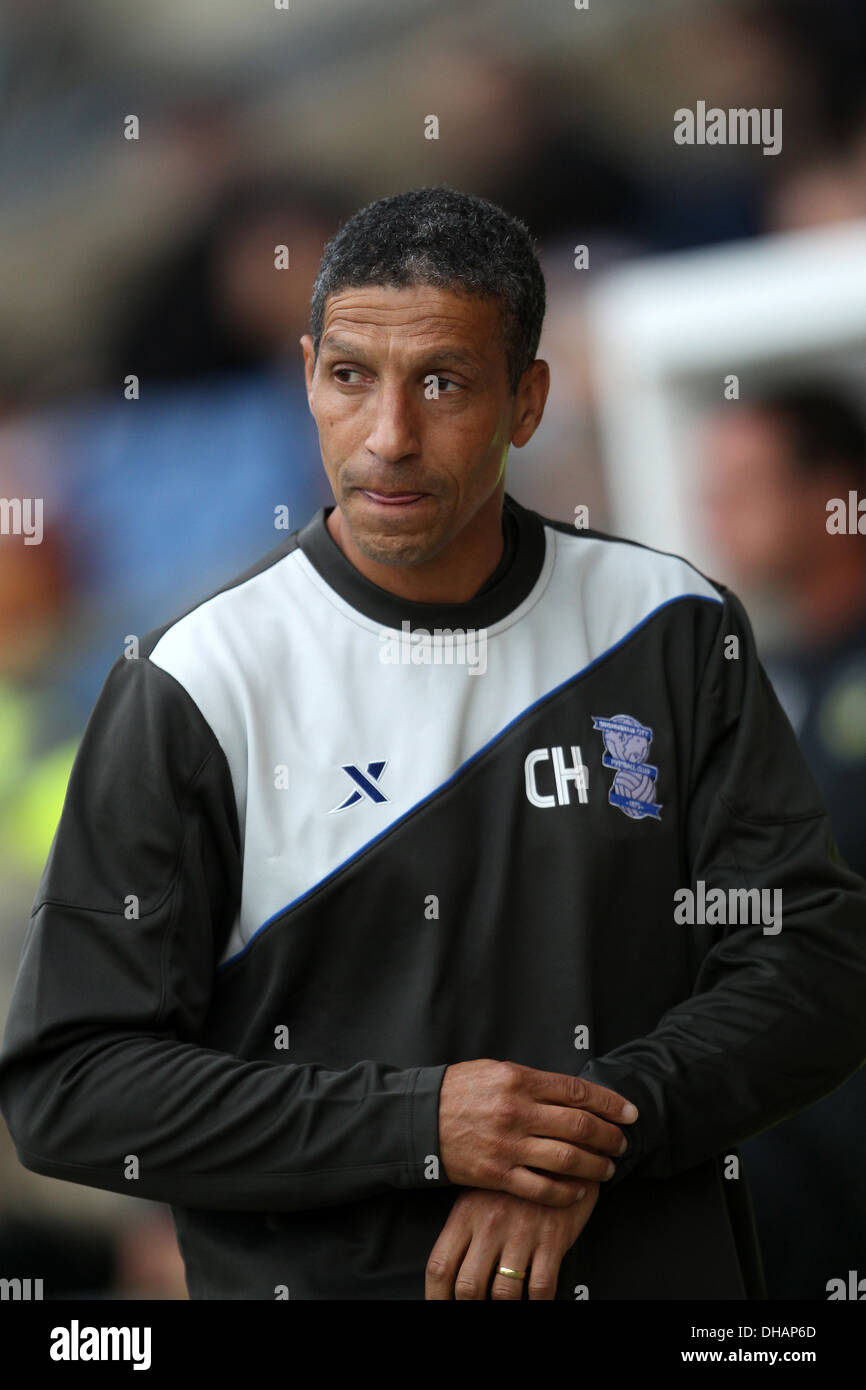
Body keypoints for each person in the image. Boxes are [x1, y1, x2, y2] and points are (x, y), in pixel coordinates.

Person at [1, 187, 865, 1302]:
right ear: (307, 375)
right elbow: (71, 1088)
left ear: (527, 400)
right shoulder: (195, 680)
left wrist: (580, 1138)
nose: (389, 436)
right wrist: (423, 1125)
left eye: (444, 381)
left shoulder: (670, 625)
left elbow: (815, 965)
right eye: (351, 376)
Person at [699, 386, 866, 1298]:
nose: (712, 513)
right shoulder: (757, 686)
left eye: (741, 485)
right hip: (790, 1132)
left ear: (833, 495)